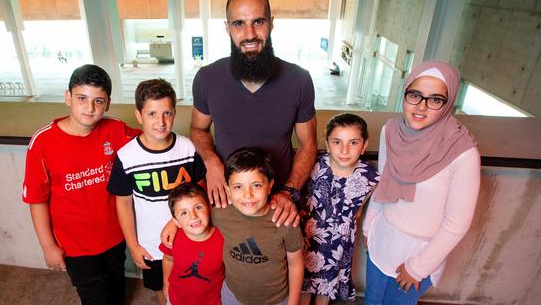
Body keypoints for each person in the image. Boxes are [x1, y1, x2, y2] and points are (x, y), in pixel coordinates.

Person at [191, 0, 317, 225]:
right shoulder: (207, 78)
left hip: (278, 206)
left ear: (271, 23)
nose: (249, 34)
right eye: (239, 24)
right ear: (227, 28)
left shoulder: (299, 79)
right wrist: (212, 164)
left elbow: (308, 144)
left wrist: (289, 192)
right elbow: (198, 129)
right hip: (225, 202)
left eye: (258, 21)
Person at [362, 61, 480, 304]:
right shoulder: (391, 131)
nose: (421, 107)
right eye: (415, 95)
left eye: (435, 99)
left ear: (448, 104)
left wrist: (417, 267)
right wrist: (369, 225)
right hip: (382, 238)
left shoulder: (462, 152)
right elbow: (385, 182)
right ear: (404, 93)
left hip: (417, 254)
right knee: (372, 301)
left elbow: (457, 223)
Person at [22, 64, 140, 305]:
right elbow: (36, 200)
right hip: (75, 247)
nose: (90, 108)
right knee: (96, 299)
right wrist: (47, 246)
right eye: (82, 98)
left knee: (117, 290)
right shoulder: (43, 143)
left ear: (107, 103)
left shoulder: (116, 130)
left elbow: (150, 140)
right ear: (68, 97)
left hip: (115, 238)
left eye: (98, 101)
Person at [107, 78, 206, 305]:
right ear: (139, 116)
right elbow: (123, 203)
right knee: (163, 289)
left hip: (190, 237)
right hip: (151, 244)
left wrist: (178, 222)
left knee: (195, 285)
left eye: (167, 113)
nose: (160, 122)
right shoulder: (127, 156)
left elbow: (201, 191)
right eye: (152, 114)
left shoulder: (188, 148)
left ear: (174, 113)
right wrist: (133, 245)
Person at [301, 113, 379, 304]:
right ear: (327, 144)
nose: (344, 150)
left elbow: (365, 203)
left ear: (364, 146)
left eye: (353, 142)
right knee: (303, 284)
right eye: (337, 142)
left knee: (326, 287)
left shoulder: (369, 176)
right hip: (308, 238)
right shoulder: (315, 166)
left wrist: (359, 212)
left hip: (338, 244)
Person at [215, 147, 304, 305]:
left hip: (277, 300)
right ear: (228, 190)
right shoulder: (220, 213)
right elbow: (195, 214)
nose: (247, 194)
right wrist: (174, 223)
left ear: (270, 186)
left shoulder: (285, 218)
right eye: (238, 187)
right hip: (233, 296)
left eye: (256, 185)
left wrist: (294, 302)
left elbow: (296, 263)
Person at [159, 184, 224, 305]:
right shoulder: (173, 238)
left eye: (198, 207)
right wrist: (166, 284)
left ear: (209, 208)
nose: (193, 216)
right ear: (176, 221)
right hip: (176, 299)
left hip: (212, 301)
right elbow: (168, 260)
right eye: (184, 213)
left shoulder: (223, 238)